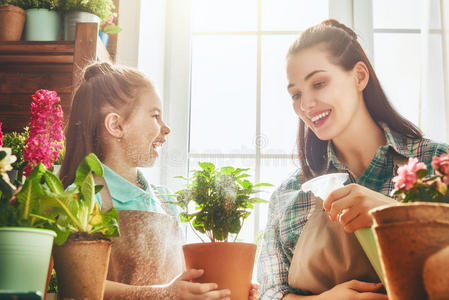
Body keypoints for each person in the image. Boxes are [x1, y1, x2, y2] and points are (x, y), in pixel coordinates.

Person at [257, 19, 449, 299]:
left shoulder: (437, 162)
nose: (305, 105)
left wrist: (388, 212)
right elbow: (269, 292)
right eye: (296, 94)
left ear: (359, 77)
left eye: (319, 83)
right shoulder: (289, 195)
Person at [59, 62, 258, 300]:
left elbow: (178, 284)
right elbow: (79, 288)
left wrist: (219, 289)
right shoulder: (83, 197)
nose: (166, 129)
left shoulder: (165, 201)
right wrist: (163, 295)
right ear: (116, 125)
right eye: (155, 116)